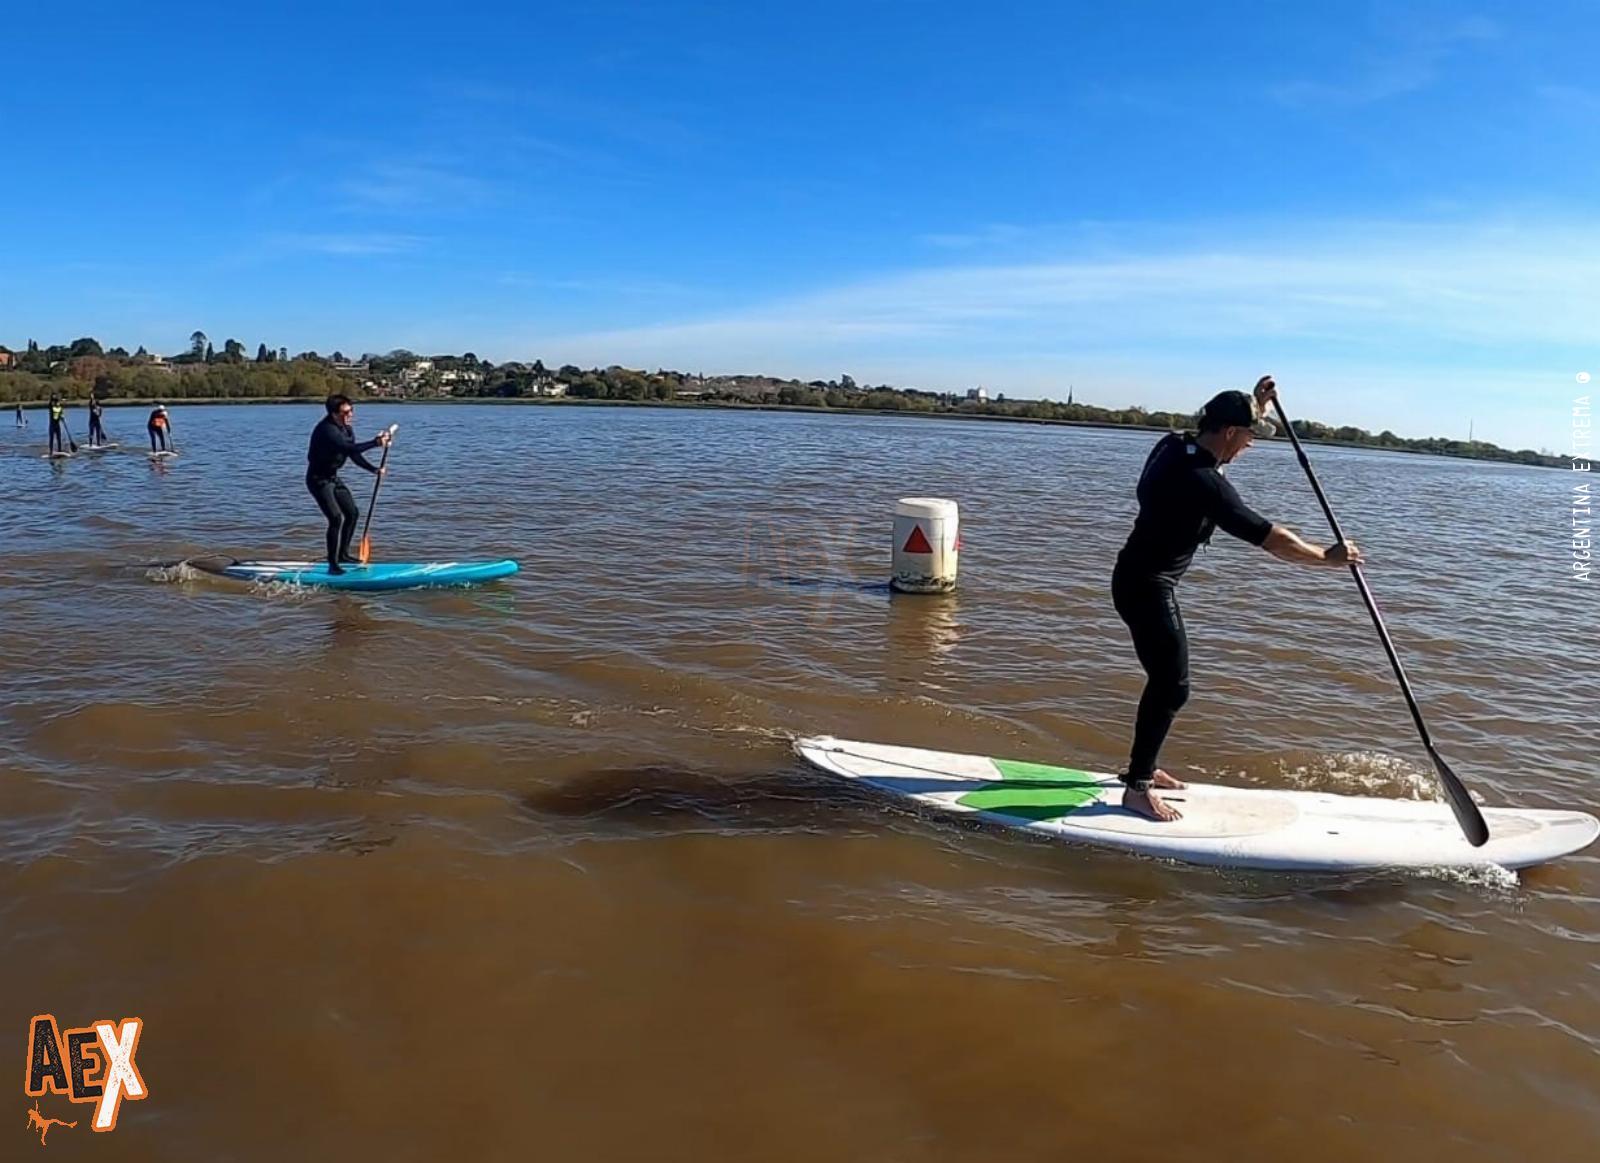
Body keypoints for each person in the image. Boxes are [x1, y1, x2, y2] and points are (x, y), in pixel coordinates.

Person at [1111, 376, 1364, 822]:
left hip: (1131, 577)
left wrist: (1257, 408)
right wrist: (1328, 558)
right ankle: (1137, 787)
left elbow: (1220, 452)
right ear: (1230, 432)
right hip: (1148, 586)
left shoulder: (1172, 446)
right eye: (1250, 436)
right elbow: (1272, 539)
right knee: (1173, 686)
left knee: (1164, 682)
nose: (1251, 446)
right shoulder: (1204, 483)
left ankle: (1141, 769)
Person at [306, 394, 389, 574]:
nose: (350, 415)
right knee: (335, 518)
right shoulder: (326, 431)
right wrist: (376, 443)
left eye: (351, 410)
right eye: (345, 412)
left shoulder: (347, 429)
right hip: (317, 480)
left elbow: (354, 455)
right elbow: (348, 448)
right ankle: (333, 564)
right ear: (334, 414)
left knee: (352, 513)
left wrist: (373, 469)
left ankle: (343, 554)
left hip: (333, 478)